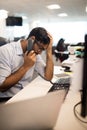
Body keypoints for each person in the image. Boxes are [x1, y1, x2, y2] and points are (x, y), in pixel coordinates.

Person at [0, 27, 54, 98]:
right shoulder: (5, 51)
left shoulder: (34, 52)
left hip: (25, 95)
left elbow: (48, 77)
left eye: (43, 50)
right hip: (7, 99)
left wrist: (49, 51)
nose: (40, 52)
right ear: (32, 39)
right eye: (40, 48)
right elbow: (2, 87)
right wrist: (25, 66)